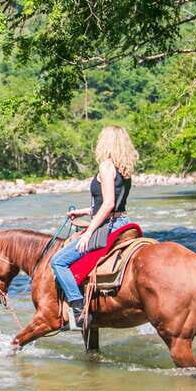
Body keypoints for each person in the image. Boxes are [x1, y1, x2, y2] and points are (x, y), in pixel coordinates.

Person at [50, 125, 138, 326]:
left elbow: (107, 204)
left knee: (58, 262)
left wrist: (89, 232)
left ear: (105, 142)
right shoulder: (124, 169)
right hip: (123, 222)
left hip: (108, 226)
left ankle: (79, 310)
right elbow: (113, 204)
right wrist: (84, 211)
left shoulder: (107, 166)